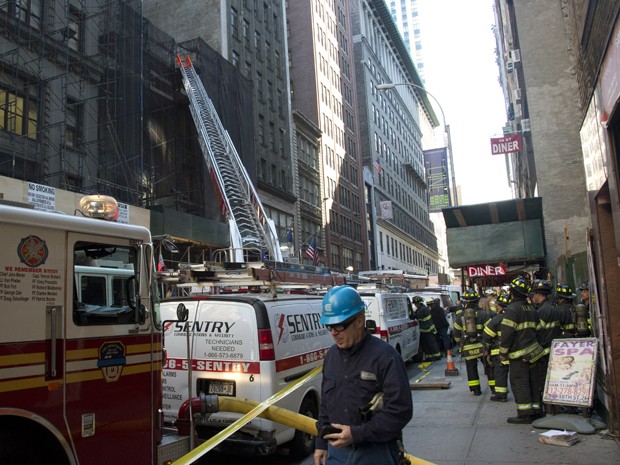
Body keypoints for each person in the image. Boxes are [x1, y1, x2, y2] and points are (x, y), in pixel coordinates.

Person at [315, 286, 413, 465]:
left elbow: (401, 411)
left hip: (376, 453)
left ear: (360, 321)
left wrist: (357, 434)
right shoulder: (331, 357)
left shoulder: (385, 356)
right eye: (329, 326)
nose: (333, 333)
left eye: (339, 325)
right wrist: (321, 443)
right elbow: (326, 406)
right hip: (337, 452)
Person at [500, 276, 546, 424]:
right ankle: (537, 410)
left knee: (520, 382)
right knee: (533, 381)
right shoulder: (531, 308)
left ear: (512, 293)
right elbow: (539, 329)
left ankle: (525, 414)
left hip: (519, 356)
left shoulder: (512, 309)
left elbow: (507, 334)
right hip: (533, 354)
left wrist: (502, 353)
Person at [452, 289, 491, 396]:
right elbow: (490, 330)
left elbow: (456, 334)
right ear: (476, 301)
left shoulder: (460, 316)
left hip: (468, 347)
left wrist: (460, 343)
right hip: (482, 347)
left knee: (471, 369)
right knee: (488, 367)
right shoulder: (483, 314)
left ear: (465, 302)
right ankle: (495, 388)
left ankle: (476, 390)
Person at [482, 292, 511, 402]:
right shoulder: (514, 317)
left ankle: (501, 395)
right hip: (515, 351)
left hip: (499, 351)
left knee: (500, 373)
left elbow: (486, 335)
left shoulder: (497, 319)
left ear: (500, 306)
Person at [410, 296, 441, 361]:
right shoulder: (423, 308)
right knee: (428, 345)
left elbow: (416, 317)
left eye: (415, 303)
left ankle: (436, 356)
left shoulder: (421, 310)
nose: (415, 305)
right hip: (428, 330)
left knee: (431, 344)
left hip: (427, 330)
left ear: (418, 303)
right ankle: (429, 357)